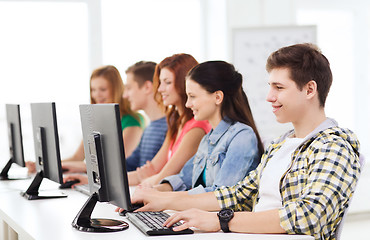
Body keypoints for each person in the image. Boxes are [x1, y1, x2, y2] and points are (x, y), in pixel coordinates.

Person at [129, 43, 361, 240]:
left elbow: (310, 215)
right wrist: (160, 200)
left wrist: (220, 221)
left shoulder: (334, 146)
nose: (269, 97)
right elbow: (237, 194)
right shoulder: (280, 145)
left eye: (279, 87)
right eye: (270, 86)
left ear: (310, 89)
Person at [152, 61, 264, 194]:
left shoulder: (242, 136)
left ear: (217, 97)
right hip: (201, 213)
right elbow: (183, 180)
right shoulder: (207, 139)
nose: (188, 104)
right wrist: (153, 192)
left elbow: (220, 194)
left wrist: (164, 200)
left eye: (192, 96)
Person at [64, 61, 168, 186]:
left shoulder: (168, 127)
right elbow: (127, 166)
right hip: (137, 189)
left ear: (147, 87)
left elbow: (154, 175)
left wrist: (87, 173)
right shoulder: (151, 127)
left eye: (128, 88)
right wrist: (89, 178)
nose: (124, 95)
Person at [26, 65, 144, 174]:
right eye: (93, 90)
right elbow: (78, 157)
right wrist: (43, 165)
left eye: (103, 89)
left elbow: (116, 164)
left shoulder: (132, 121)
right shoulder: (96, 121)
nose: (96, 95)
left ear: (117, 90)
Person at [127, 53, 211, 186]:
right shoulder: (175, 124)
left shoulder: (197, 128)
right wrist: (102, 183)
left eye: (167, 82)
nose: (160, 89)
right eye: (160, 82)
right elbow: (153, 170)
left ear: (185, 83)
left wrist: (146, 179)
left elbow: (164, 177)